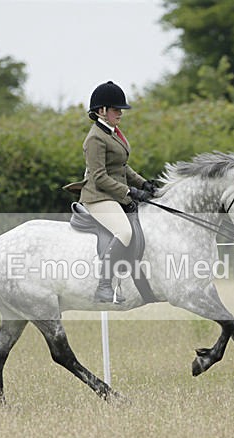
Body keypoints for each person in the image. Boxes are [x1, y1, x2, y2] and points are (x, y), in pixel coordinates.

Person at [64, 81, 156, 303]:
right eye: (116, 109)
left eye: (120, 110)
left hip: (112, 193)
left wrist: (144, 184)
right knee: (124, 232)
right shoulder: (95, 138)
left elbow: (122, 167)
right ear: (101, 111)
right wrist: (130, 192)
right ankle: (103, 286)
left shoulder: (114, 133)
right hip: (98, 196)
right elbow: (99, 177)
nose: (120, 113)